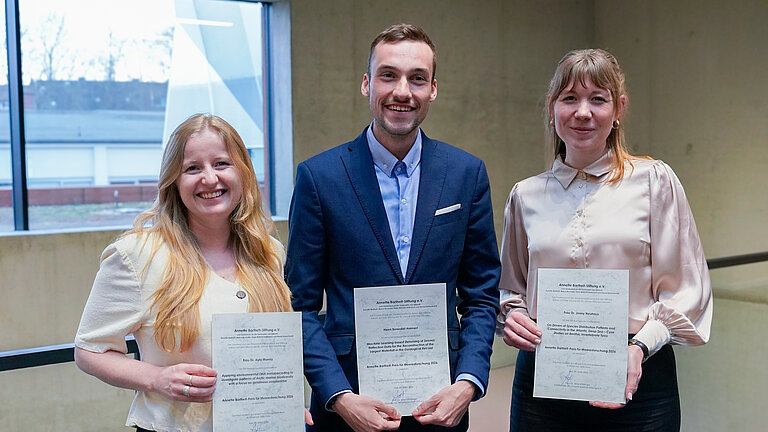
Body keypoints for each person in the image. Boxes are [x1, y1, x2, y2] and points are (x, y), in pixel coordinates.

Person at [286, 23, 501, 432]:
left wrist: (468, 383)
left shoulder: (466, 174)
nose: (403, 91)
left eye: (417, 78)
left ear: (433, 89)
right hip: (349, 407)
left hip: (441, 403)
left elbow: (482, 294)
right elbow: (300, 305)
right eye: (389, 75)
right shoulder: (320, 177)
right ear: (367, 84)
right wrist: (338, 396)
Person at [498, 49, 714, 431]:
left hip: (639, 376)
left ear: (619, 109)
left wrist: (640, 347)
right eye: (570, 99)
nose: (583, 112)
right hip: (544, 383)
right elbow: (509, 288)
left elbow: (686, 288)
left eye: (598, 99)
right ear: (552, 108)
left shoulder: (654, 181)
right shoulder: (525, 195)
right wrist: (513, 316)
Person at [74, 113, 309, 432]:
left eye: (222, 163)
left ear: (243, 172)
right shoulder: (137, 255)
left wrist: (286, 399)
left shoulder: (269, 252)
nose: (210, 179)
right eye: (192, 168)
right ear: (174, 179)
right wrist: (156, 379)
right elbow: (89, 350)